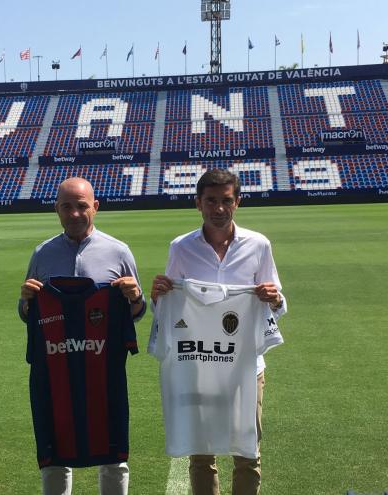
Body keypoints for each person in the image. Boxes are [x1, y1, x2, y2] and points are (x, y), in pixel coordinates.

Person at [150, 169, 287, 495]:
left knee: (247, 453)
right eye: (211, 201)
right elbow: (172, 311)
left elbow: (279, 305)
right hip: (199, 365)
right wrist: (159, 296)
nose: (219, 208)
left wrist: (275, 298)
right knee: (201, 453)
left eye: (227, 200)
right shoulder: (181, 248)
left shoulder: (258, 245)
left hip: (246, 367)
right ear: (198, 203)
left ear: (237, 202)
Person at [19, 177, 146, 495]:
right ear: (57, 210)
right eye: (67, 207)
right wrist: (26, 301)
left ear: (95, 207)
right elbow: (28, 316)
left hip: (103, 370)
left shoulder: (119, 252)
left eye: (81, 206)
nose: (74, 213)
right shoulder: (42, 254)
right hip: (56, 372)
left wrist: (134, 298)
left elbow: (138, 313)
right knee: (54, 451)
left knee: (113, 451)